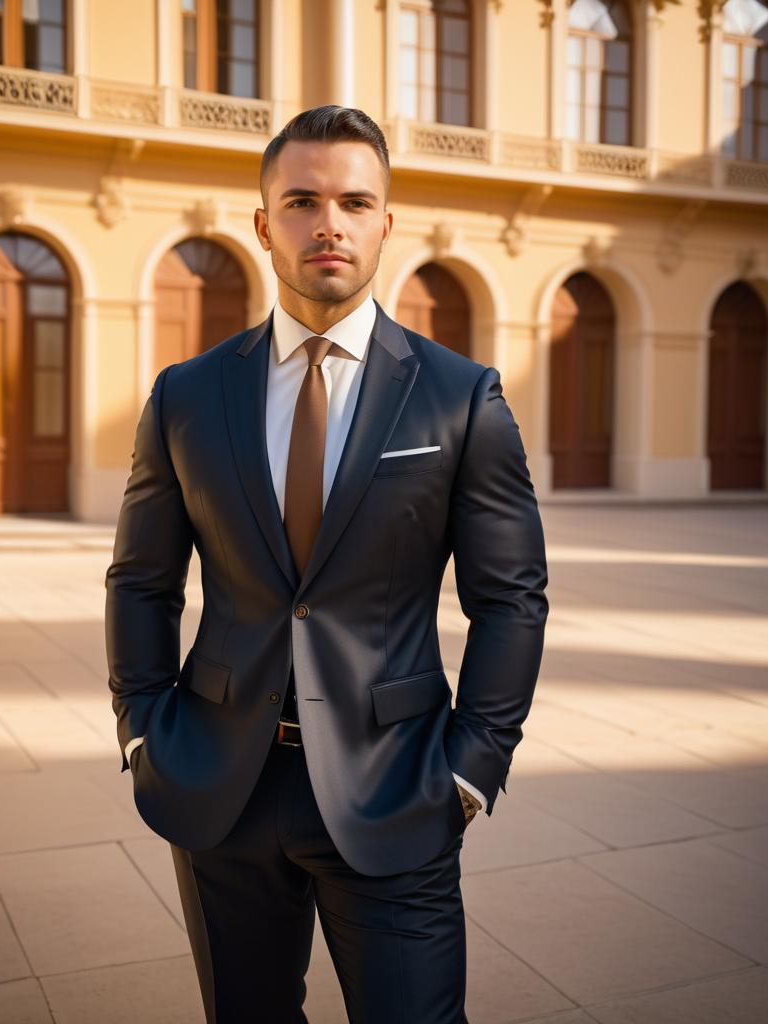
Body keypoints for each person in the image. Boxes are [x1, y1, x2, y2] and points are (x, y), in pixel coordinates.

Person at [105, 105, 548, 1024]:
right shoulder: (186, 396)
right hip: (220, 785)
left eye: (355, 201)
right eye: (302, 200)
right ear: (264, 223)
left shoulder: (462, 398)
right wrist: (143, 727)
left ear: (388, 223)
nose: (329, 223)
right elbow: (142, 580)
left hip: (397, 787)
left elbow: (511, 600)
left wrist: (473, 766)